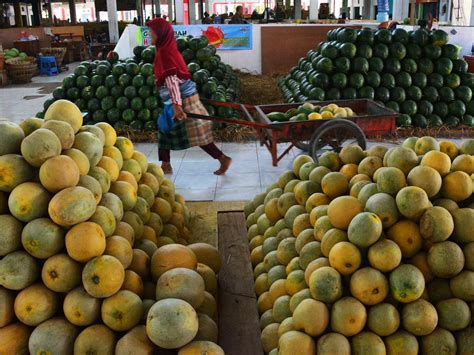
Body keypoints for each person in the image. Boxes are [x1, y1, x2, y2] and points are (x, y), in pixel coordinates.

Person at [147, 18, 232, 175]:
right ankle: (166, 164)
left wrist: (177, 105)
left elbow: (172, 80)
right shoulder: (166, 49)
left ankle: (222, 158)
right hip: (179, 99)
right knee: (166, 129)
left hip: (182, 100)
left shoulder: (165, 53)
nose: (149, 34)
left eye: (152, 32)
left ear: (161, 34)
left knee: (197, 135)